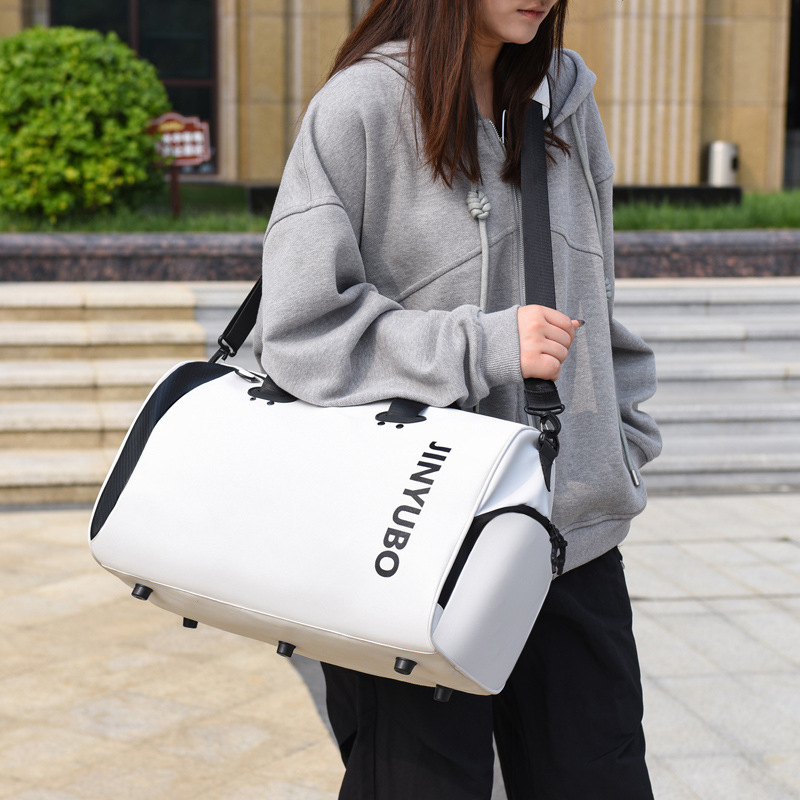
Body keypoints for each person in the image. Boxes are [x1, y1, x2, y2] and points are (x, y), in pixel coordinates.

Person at [254, 0, 662, 797]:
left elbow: (597, 292)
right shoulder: (360, 107)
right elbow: (299, 332)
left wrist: (616, 446)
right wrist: (484, 345)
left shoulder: (563, 102)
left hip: (566, 536)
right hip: (410, 542)